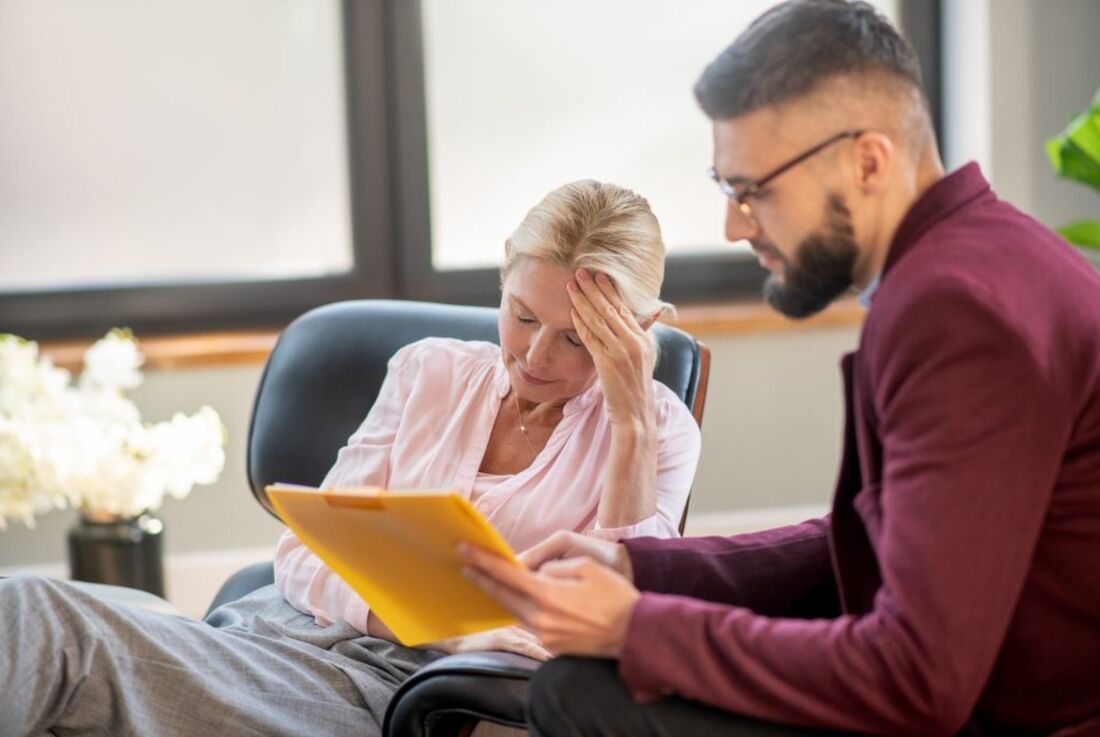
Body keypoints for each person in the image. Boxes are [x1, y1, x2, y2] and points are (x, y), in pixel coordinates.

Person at [461, 2, 1100, 736]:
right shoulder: (979, 257)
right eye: (724, 187)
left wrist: (636, 628)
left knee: (583, 689)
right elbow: (866, 540)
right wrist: (641, 571)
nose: (735, 226)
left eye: (752, 190)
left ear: (868, 160)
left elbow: (917, 677)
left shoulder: (957, 314)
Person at [0, 180, 701, 737]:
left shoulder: (656, 433)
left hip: (384, 687)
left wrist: (630, 417)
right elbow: (303, 554)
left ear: (638, 331)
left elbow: (614, 628)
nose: (536, 355)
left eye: (577, 339)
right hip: (271, 630)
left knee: (38, 619)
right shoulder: (429, 371)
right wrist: (418, 615)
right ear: (502, 278)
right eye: (522, 315)